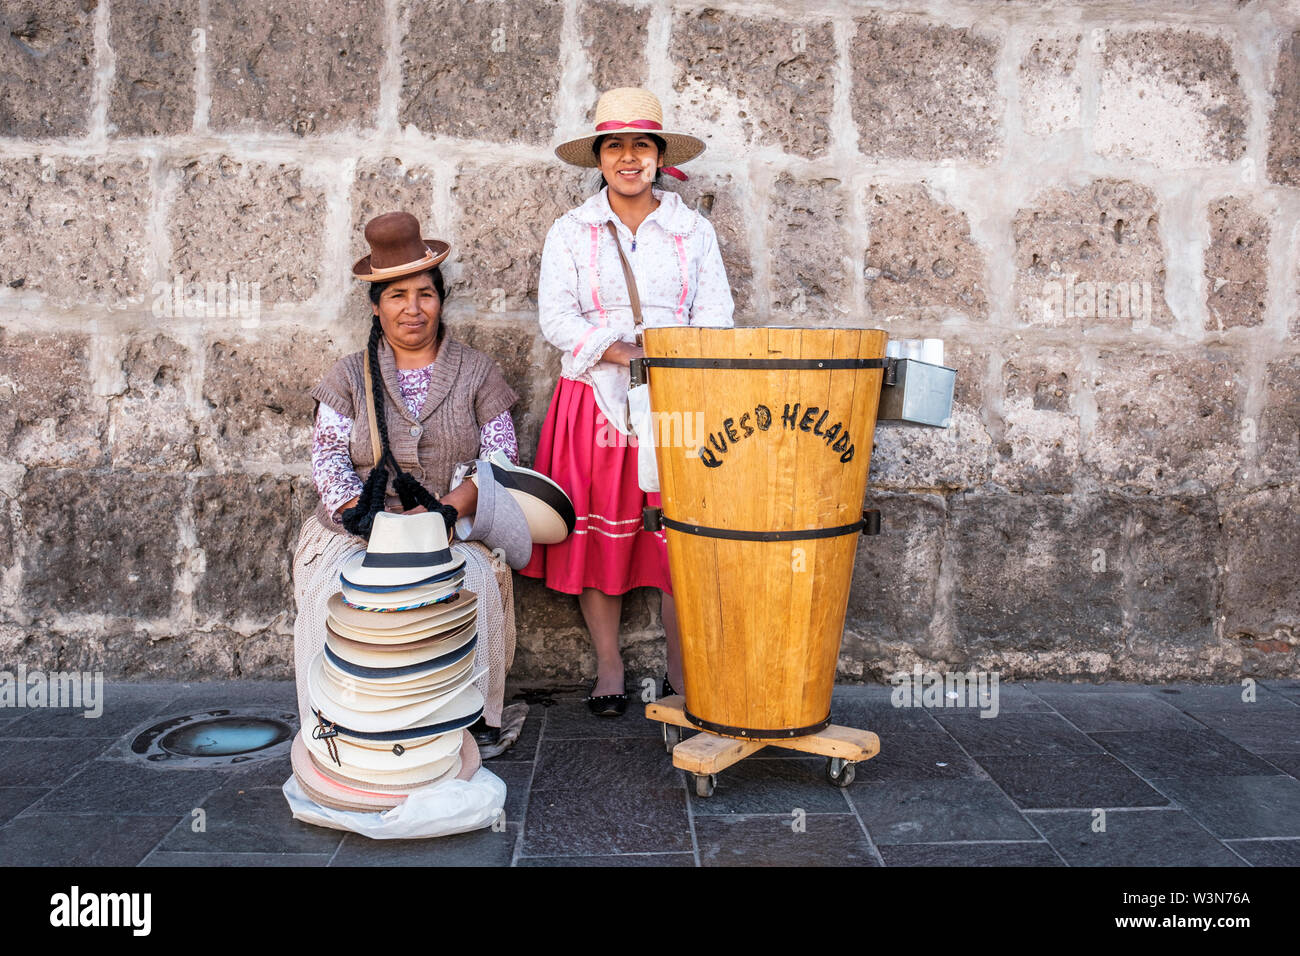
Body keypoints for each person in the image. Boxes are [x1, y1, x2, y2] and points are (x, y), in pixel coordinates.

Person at [520, 88, 735, 715]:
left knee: (680, 535)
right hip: (593, 396)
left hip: (676, 397)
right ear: (600, 158)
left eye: (641, 144)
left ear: (660, 156)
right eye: (615, 145)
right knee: (599, 531)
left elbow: (716, 316)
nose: (629, 157)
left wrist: (669, 361)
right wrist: (622, 355)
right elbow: (556, 317)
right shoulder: (573, 231)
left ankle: (681, 670)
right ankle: (610, 667)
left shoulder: (692, 231)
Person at [292, 211, 521, 749]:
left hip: (451, 525)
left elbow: (502, 457)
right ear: (376, 306)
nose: (412, 309)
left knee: (478, 588)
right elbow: (327, 455)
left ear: (441, 300)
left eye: (425, 294)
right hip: (356, 529)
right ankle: (335, 720)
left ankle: (469, 720)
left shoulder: (476, 372)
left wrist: (446, 511)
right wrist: (363, 518)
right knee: (333, 594)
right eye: (396, 296)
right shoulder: (349, 376)